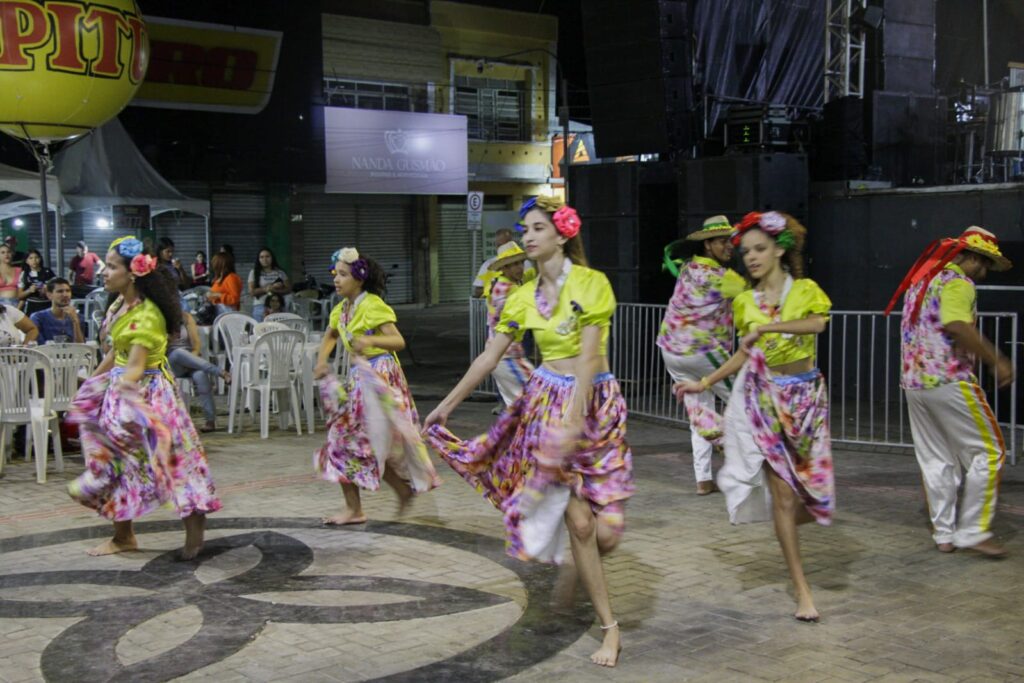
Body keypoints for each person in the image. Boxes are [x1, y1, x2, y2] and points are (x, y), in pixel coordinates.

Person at [425, 196, 634, 668]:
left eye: (539, 228)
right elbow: (488, 357)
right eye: (526, 230)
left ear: (562, 234)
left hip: (594, 404)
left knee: (607, 535)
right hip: (547, 400)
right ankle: (610, 629)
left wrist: (576, 418)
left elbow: (588, 357)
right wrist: (444, 406)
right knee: (580, 523)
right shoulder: (521, 296)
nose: (529, 236)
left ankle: (579, 566)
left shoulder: (591, 284)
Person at [675, 211, 833, 623]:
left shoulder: (807, 290)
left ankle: (788, 519)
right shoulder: (744, 301)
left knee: (817, 500)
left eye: (759, 249)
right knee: (783, 496)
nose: (750, 257)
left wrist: (771, 328)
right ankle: (802, 591)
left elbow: (817, 324)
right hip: (765, 398)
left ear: (779, 249)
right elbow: (745, 353)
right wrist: (704, 382)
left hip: (806, 399)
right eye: (745, 251)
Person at [67, 236, 221, 559]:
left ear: (133, 272)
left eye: (111, 267)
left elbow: (135, 366)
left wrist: (123, 389)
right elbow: (117, 353)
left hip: (149, 396)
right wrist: (93, 383)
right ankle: (123, 536)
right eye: (105, 266)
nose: (103, 273)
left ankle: (194, 530)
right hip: (121, 391)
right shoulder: (118, 304)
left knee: (174, 462)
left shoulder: (148, 315)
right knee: (117, 464)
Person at [887, 226, 1013, 557]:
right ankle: (973, 529)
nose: (984, 273)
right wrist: (996, 360)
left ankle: (944, 533)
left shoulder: (921, 282)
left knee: (936, 458)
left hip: (914, 383)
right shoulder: (958, 283)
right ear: (970, 257)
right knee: (989, 451)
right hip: (949, 380)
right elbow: (957, 325)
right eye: (983, 265)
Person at [313, 247, 440, 525]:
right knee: (350, 442)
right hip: (361, 378)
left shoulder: (372, 305)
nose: (336, 279)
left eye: (343, 274)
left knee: (362, 443)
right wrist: (322, 360)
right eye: (335, 273)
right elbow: (331, 335)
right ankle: (372, 501)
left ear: (359, 278)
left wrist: (371, 341)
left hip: (381, 376)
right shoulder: (341, 310)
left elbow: (397, 341)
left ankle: (376, 500)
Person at [657, 216, 747, 495]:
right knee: (744, 402)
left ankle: (704, 480)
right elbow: (755, 296)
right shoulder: (724, 279)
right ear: (708, 245)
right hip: (702, 351)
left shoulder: (687, 269)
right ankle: (744, 459)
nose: (730, 247)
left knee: (700, 412)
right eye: (723, 242)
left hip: (671, 350)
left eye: (731, 242)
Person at [486, 241, 535, 406]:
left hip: (502, 354)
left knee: (518, 408)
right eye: (513, 264)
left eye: (520, 262)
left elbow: (530, 275)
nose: (519, 268)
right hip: (507, 356)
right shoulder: (511, 289)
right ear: (504, 268)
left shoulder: (501, 283)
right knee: (538, 399)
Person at [168, 310, 230, 432]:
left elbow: (196, 345)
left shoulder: (186, 317)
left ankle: (210, 421)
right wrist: (169, 337)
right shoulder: (159, 318)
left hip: (191, 360)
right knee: (178, 353)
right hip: (172, 361)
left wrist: (191, 359)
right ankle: (220, 372)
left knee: (201, 375)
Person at [30, 278, 84, 344]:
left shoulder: (78, 317)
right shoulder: (38, 318)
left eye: (68, 291)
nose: (65, 295)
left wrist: (75, 321)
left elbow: (81, 348)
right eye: (60, 291)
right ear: (49, 295)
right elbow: (38, 346)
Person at [248, 247, 290, 321]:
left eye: (267, 256)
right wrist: (267, 288)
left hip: (278, 306)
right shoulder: (254, 272)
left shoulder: (280, 272)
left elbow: (288, 289)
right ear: (258, 259)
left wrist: (276, 290)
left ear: (272, 258)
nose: (265, 259)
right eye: (262, 257)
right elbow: (252, 292)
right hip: (260, 305)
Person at [473, 228, 514, 298]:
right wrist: (493, 287)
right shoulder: (488, 265)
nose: (504, 248)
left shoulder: (525, 264)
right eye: (501, 245)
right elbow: (477, 292)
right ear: (496, 246)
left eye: (508, 244)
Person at [18, 249, 56, 315]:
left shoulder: (48, 272)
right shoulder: (24, 274)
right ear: (26, 261)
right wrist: (29, 290)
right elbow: (20, 296)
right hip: (32, 306)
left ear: (40, 259)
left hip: (47, 305)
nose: (34, 260)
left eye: (37, 257)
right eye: (31, 258)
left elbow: (57, 288)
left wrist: (47, 290)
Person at [0, 243, 23, 307]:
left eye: (8, 252)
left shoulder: (19, 270)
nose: (6, 254)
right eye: (3, 252)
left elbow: (22, 293)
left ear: (12, 254)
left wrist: (18, 309)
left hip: (15, 304)